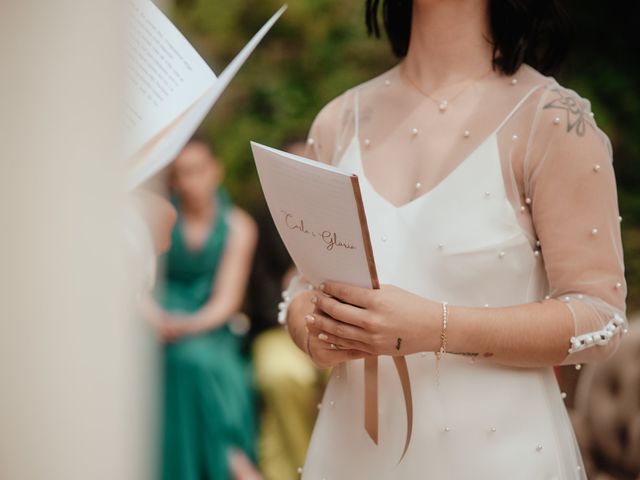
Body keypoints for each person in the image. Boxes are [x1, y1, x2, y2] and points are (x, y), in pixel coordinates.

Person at [280, 0, 629, 478]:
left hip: (498, 457)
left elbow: (600, 316)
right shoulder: (338, 119)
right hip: (349, 455)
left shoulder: (552, 118)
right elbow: (303, 284)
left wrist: (436, 328)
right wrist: (308, 323)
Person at [145, 137, 261, 480]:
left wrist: (186, 326)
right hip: (155, 321)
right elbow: (140, 284)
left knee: (197, 360)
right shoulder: (161, 216)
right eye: (180, 174)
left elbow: (226, 301)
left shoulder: (240, 226)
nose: (190, 182)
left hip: (209, 326)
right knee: (174, 359)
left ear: (215, 171)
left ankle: (226, 459)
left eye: (197, 170)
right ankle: (231, 462)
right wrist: (155, 318)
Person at [247, 139, 327, 480]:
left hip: (337, 329)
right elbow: (255, 290)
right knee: (282, 375)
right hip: (276, 330)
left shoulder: (340, 218)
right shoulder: (261, 221)